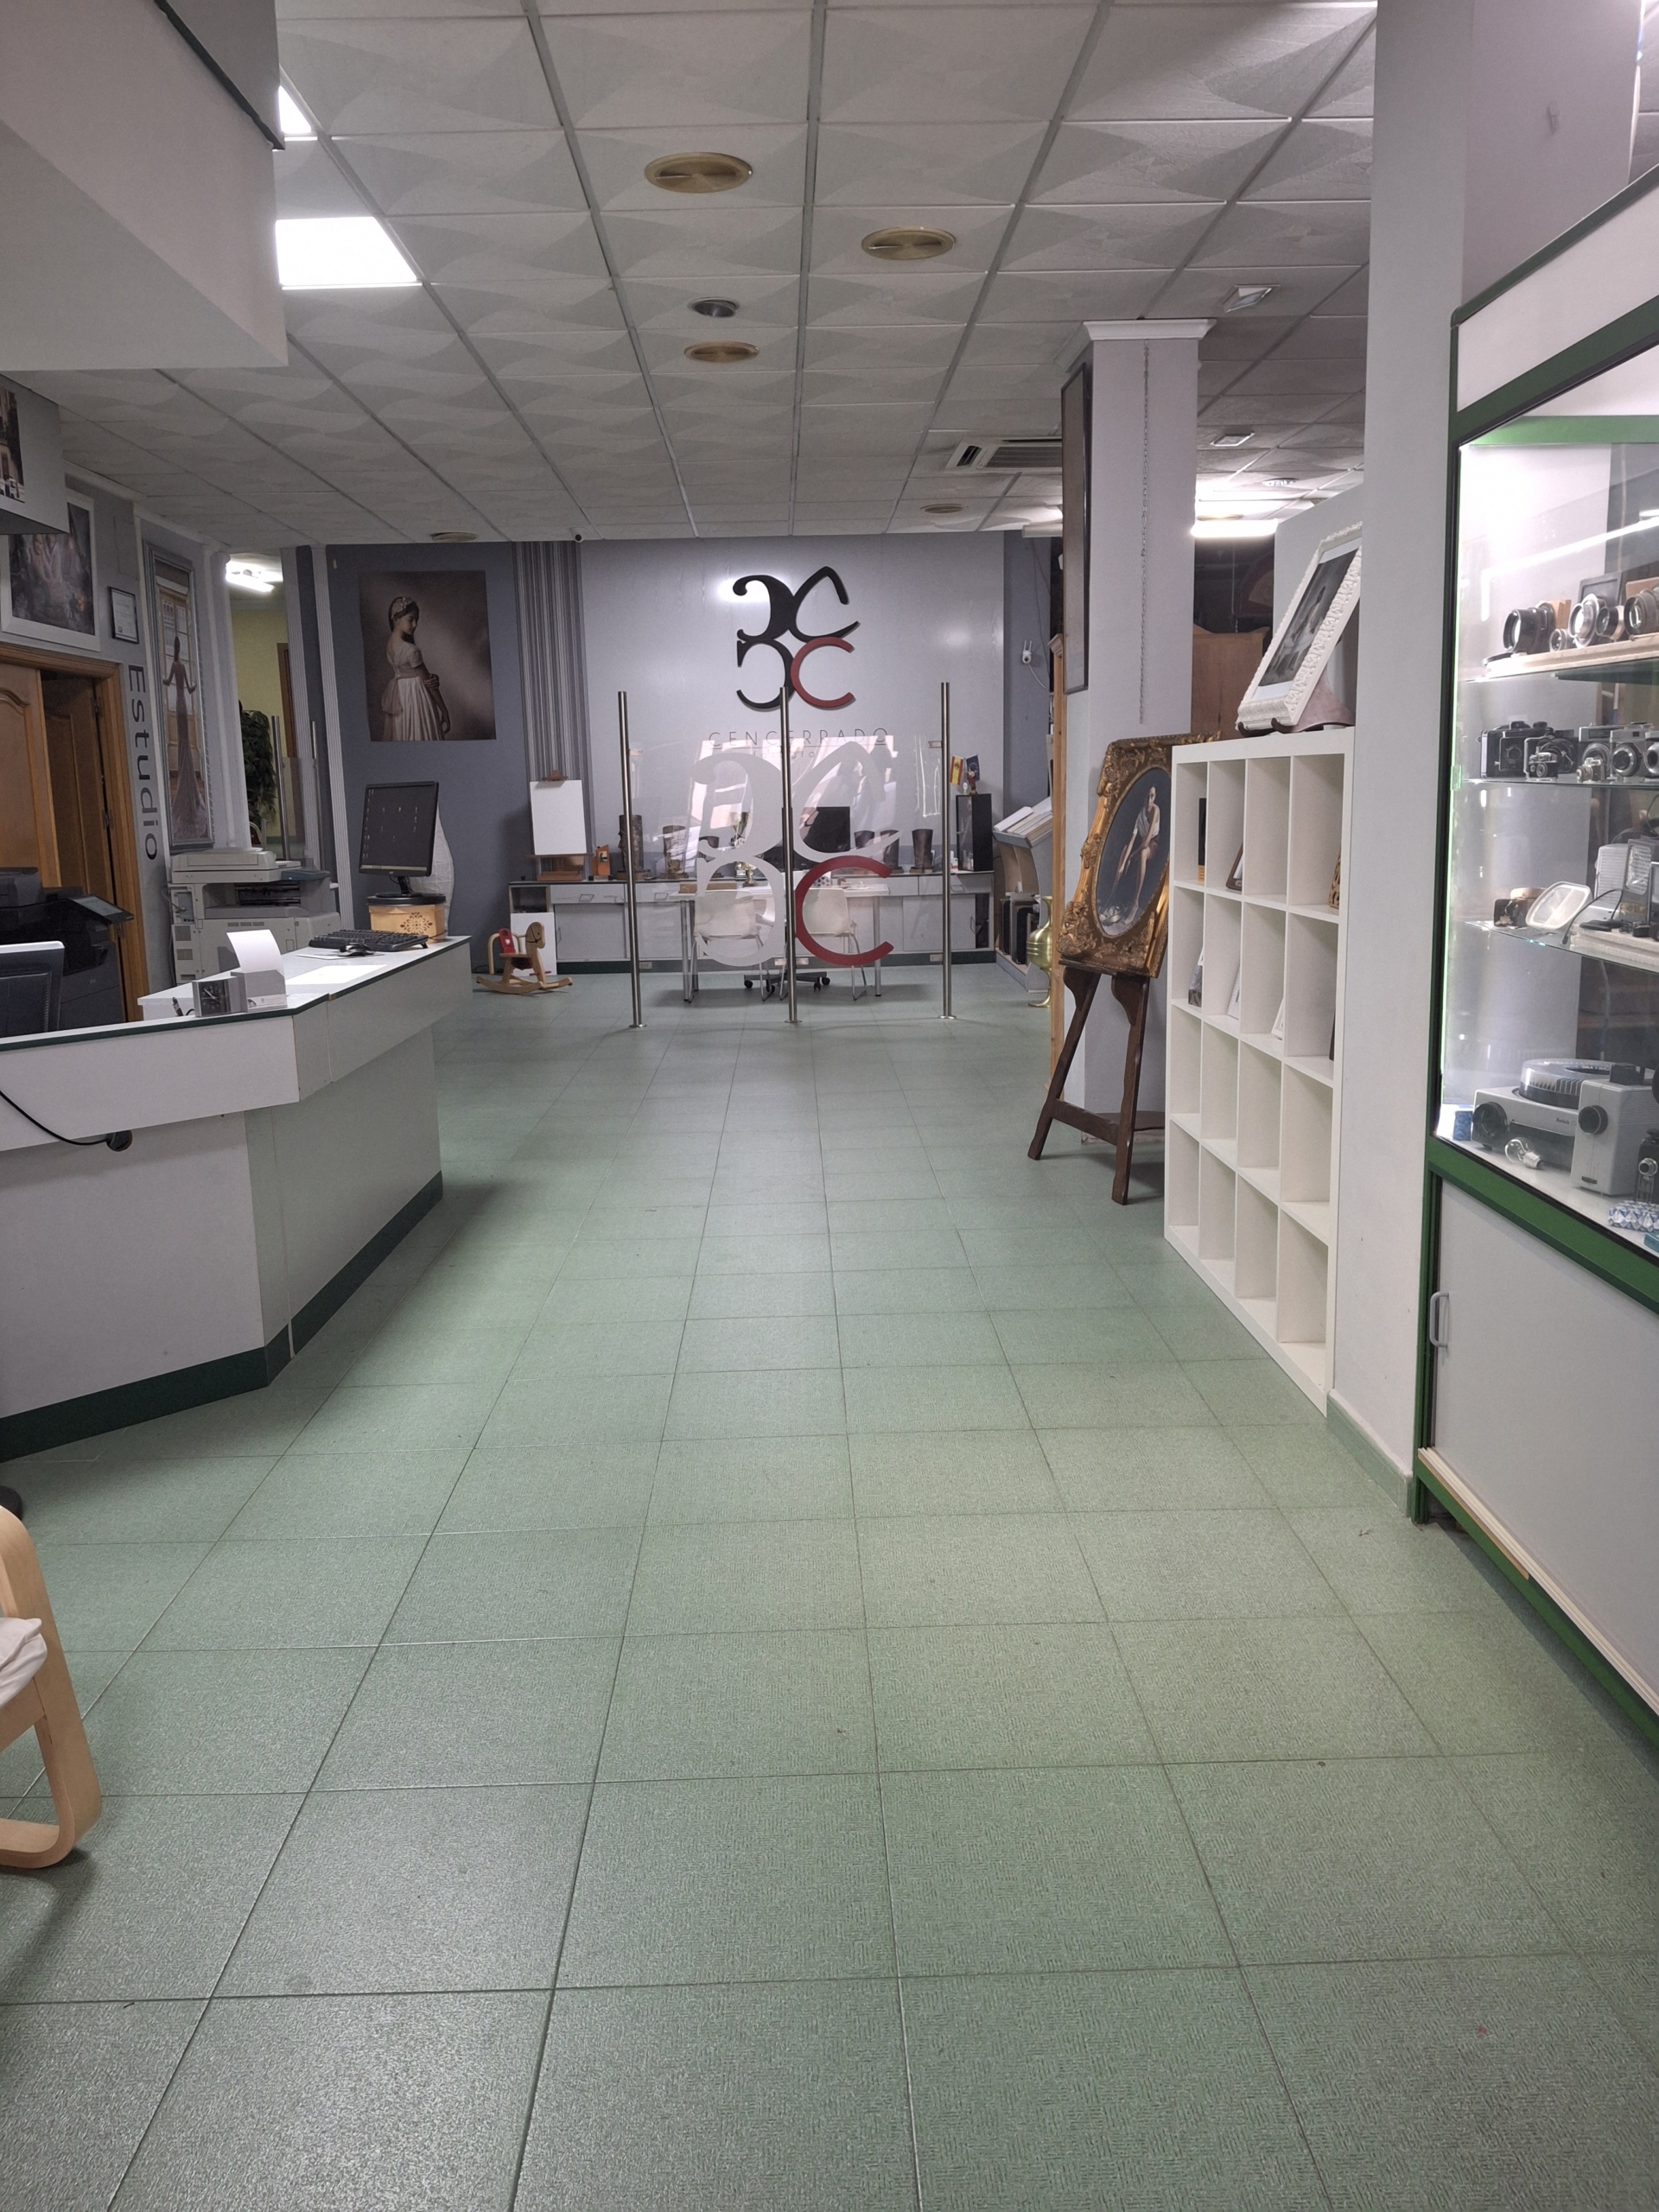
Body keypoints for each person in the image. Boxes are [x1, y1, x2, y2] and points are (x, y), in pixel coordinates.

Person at [381, 595, 450, 742]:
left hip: (400, 694)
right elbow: (428, 683)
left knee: (404, 731)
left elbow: (411, 672)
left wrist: (432, 676)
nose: (415, 625)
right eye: (411, 619)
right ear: (396, 619)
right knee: (419, 731)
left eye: (416, 620)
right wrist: (444, 710)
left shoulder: (388, 645)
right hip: (415, 696)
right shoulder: (411, 650)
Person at [1099, 783, 1161, 928]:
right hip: (1142, 844)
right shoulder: (1140, 815)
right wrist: (1122, 865)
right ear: (1143, 799)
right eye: (1147, 797)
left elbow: (1147, 842)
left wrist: (1132, 856)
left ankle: (1135, 903)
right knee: (1125, 850)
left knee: (1142, 854)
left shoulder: (1156, 810)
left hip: (1153, 844)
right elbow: (1133, 841)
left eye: (1152, 797)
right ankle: (1112, 897)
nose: (1150, 801)